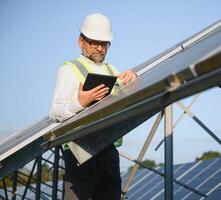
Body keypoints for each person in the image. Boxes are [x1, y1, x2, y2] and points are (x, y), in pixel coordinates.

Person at [49, 13, 137, 200]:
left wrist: (133, 81)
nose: (99, 48)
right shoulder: (69, 70)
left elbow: (125, 105)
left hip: (109, 151)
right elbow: (55, 113)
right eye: (94, 42)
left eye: (104, 43)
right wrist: (80, 103)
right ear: (80, 41)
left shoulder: (113, 71)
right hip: (80, 151)